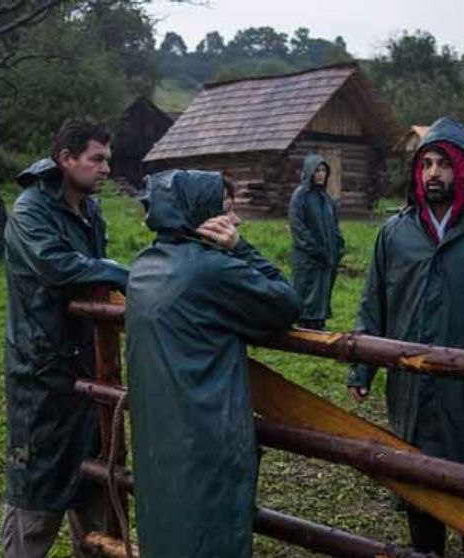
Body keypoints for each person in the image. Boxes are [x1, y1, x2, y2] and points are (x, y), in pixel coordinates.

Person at [347, 117, 464, 558]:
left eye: (444, 164)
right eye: (426, 163)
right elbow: (374, 303)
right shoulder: (395, 233)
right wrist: (362, 366)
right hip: (411, 385)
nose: (434, 173)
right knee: (419, 482)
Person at [126, 170, 301, 558]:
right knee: (212, 538)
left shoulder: (145, 265)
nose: (235, 220)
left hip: (160, 440)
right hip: (206, 438)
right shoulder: (211, 269)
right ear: (200, 215)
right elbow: (286, 303)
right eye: (225, 210)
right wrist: (240, 248)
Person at [1, 120, 130, 557]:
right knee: (37, 485)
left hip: (87, 359)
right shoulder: (31, 210)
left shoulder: (90, 211)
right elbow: (56, 266)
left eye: (108, 160)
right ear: (66, 159)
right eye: (97, 159)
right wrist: (117, 272)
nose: (106, 168)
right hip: (43, 366)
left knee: (95, 476)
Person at [289, 154, 345, 330]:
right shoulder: (300, 196)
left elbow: (334, 225)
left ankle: (319, 323)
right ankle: (305, 325)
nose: (320, 174)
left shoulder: (326, 199)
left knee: (322, 294)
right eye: (317, 171)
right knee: (307, 295)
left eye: (323, 171)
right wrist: (314, 249)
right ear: (309, 172)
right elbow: (298, 227)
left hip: (327, 258)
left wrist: (339, 245)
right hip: (308, 258)